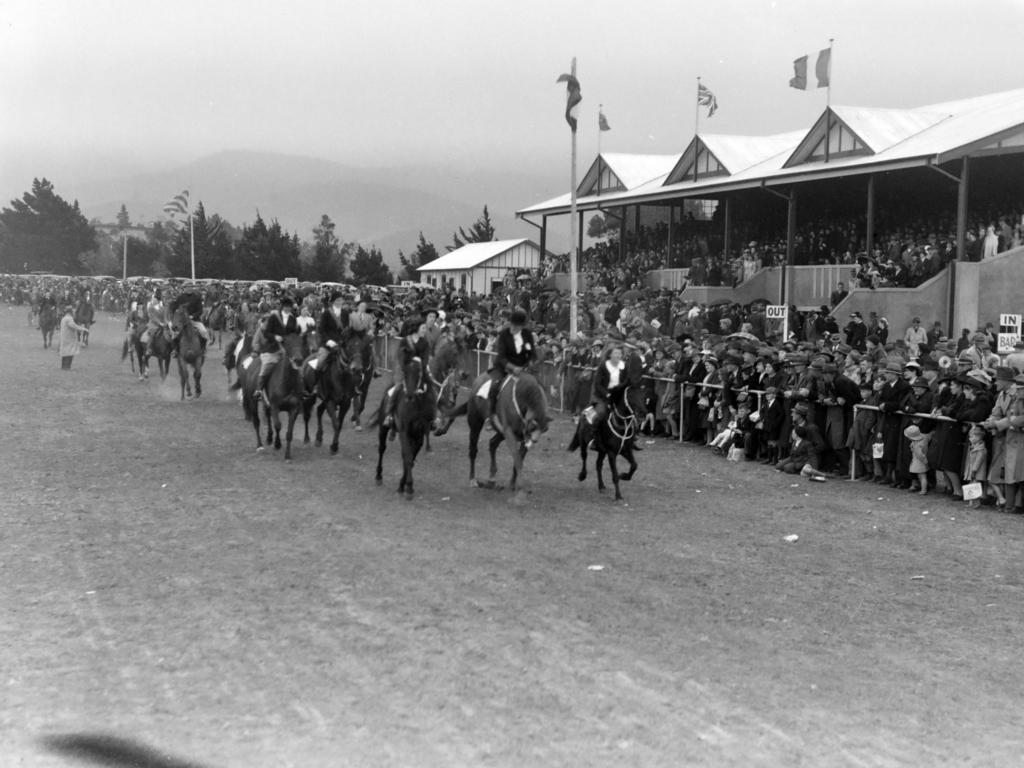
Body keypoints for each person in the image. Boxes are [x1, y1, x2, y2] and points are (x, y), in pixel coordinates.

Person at [487, 308, 537, 429]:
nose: (514, 328)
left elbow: (531, 353)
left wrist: (529, 363)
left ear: (522, 326)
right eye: (513, 325)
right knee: (493, 386)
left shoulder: (527, 334)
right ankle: (490, 416)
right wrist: (512, 367)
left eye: (517, 326)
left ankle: (534, 417)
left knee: (536, 386)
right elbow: (501, 357)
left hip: (522, 368)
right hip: (504, 367)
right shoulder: (504, 335)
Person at [381, 316, 430, 431]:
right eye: (423, 328)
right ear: (417, 328)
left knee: (431, 389)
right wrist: (408, 366)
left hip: (420, 371)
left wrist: (421, 365)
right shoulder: (405, 340)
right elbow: (401, 356)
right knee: (397, 388)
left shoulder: (424, 342)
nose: (425, 330)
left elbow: (426, 358)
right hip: (405, 370)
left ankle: (433, 417)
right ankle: (389, 414)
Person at [256, 295, 300, 401]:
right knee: (266, 366)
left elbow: (293, 333)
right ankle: (259, 389)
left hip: (288, 348)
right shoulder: (274, 317)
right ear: (282, 307)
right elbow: (266, 332)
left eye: (289, 306)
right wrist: (275, 337)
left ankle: (299, 391)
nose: (287, 308)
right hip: (274, 347)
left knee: (297, 368)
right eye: (286, 306)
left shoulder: (293, 319)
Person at [58, 304, 89, 370]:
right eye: (73, 311)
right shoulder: (69, 318)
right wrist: (83, 329)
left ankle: (63, 367)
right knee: (70, 353)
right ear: (70, 312)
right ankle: (67, 367)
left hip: (65, 338)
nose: (74, 313)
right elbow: (73, 325)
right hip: (69, 339)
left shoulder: (64, 318)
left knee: (65, 353)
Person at [141, 288, 169, 358]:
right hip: (153, 324)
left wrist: (166, 322)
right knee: (152, 333)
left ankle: (174, 349)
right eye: (154, 300)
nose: (155, 301)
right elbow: (152, 316)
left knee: (170, 332)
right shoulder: (151, 306)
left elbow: (165, 315)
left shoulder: (162, 305)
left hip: (162, 323)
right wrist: (160, 323)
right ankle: (149, 348)